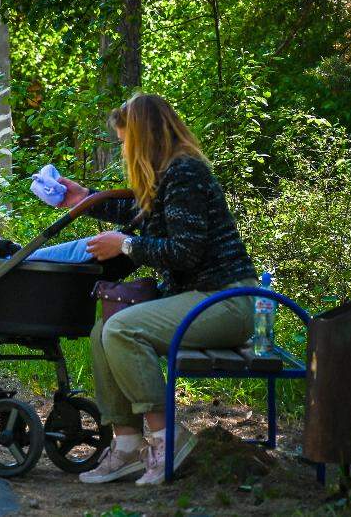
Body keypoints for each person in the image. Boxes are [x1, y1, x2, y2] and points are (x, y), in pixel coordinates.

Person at [56, 93, 257, 485]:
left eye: (124, 141)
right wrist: (86, 201)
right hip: (201, 298)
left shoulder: (185, 173)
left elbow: (185, 250)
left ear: (143, 136)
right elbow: (145, 217)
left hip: (227, 300)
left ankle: (166, 439)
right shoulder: (168, 174)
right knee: (103, 331)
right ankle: (128, 446)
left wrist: (124, 244)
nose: (123, 150)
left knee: (122, 328)